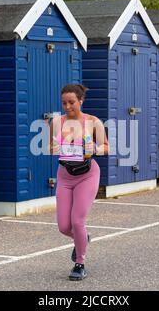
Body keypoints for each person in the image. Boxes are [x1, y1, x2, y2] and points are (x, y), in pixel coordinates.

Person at [49, 84, 109, 281]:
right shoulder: (57, 122)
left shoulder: (93, 122)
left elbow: (107, 147)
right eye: (64, 103)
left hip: (87, 175)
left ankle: (80, 263)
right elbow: (50, 148)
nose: (67, 106)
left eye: (71, 102)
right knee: (64, 227)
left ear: (81, 101)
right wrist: (56, 147)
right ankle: (82, 238)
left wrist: (95, 149)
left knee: (77, 220)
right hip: (65, 176)